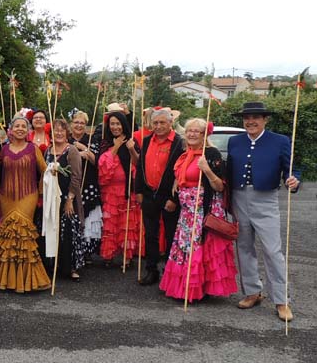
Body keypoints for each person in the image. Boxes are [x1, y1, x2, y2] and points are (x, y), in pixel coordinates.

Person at [227, 102, 300, 322]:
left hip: (266, 199)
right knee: (244, 247)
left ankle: (281, 300)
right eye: (247, 118)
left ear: (265, 120)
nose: (251, 122)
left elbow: (292, 170)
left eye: (256, 117)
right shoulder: (234, 141)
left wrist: (294, 181)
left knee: (272, 250)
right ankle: (252, 292)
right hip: (238, 198)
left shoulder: (280, 141)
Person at [159, 118, 238, 301]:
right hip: (187, 212)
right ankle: (185, 287)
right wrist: (177, 182)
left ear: (205, 135)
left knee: (199, 247)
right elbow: (180, 174)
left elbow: (220, 187)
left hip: (203, 209)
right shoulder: (184, 154)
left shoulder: (211, 154)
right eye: (189, 131)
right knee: (186, 248)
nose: (192, 134)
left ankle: (200, 289)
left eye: (197, 131)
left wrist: (207, 170)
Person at [0, 116, 51, 293]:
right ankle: (5, 280)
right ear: (11, 129)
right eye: (17, 126)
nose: (20, 129)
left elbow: (45, 171)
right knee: (8, 237)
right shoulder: (3, 149)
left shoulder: (33, 149)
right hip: (6, 196)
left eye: (24, 126)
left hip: (28, 196)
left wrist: (41, 192)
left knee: (23, 234)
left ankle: (29, 281)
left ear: (28, 130)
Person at [134, 108, 185, 285]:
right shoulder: (146, 141)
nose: (158, 126)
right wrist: (138, 190)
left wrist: (174, 199)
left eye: (162, 122)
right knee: (150, 235)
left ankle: (170, 273)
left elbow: (181, 174)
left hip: (169, 196)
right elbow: (140, 167)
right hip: (148, 194)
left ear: (171, 123)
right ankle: (151, 270)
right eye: (155, 123)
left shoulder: (180, 143)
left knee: (171, 235)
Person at [97, 111, 141, 266]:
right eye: (112, 124)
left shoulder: (132, 141)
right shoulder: (105, 143)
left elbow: (138, 164)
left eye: (118, 123)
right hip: (110, 191)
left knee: (126, 224)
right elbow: (102, 166)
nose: (115, 127)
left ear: (124, 124)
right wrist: (115, 148)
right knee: (110, 224)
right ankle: (108, 256)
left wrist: (130, 149)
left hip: (127, 190)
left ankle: (127, 257)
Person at [44, 119, 85, 281]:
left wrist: (70, 199)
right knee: (51, 230)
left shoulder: (72, 150)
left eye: (62, 130)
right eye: (55, 130)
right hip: (51, 198)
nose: (59, 133)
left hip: (67, 197)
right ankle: (54, 265)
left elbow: (76, 176)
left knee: (67, 231)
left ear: (67, 133)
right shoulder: (48, 151)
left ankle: (71, 267)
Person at [67, 110, 102, 259]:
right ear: (71, 124)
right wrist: (76, 154)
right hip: (70, 184)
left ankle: (86, 252)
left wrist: (83, 149)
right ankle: (72, 251)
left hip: (88, 183)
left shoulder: (91, 139)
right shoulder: (66, 139)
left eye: (82, 123)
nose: (79, 125)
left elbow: (97, 161)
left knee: (88, 219)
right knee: (71, 215)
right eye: (76, 122)